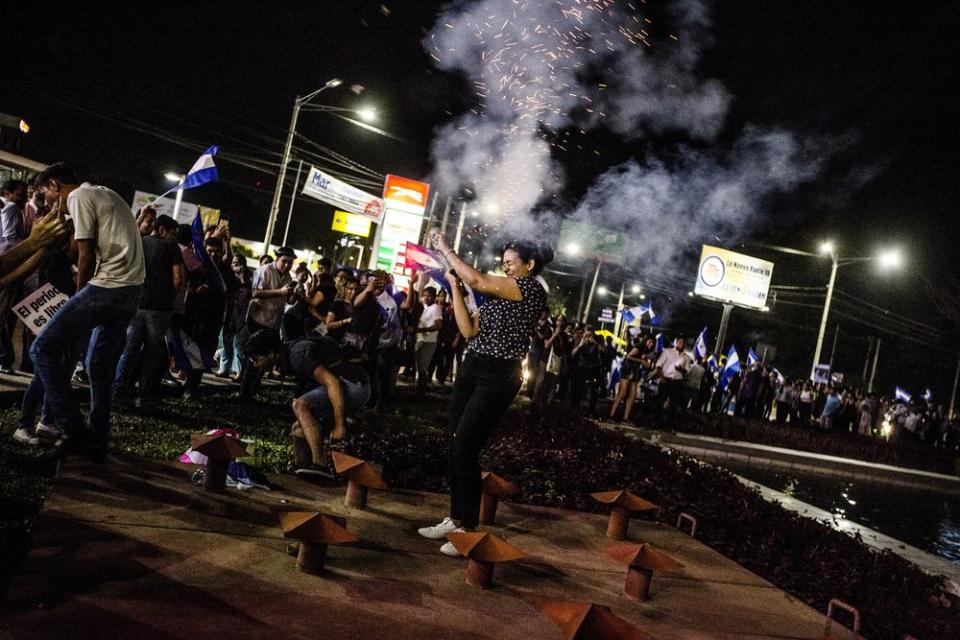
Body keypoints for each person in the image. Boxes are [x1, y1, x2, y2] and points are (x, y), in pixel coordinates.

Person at [418, 233, 551, 556]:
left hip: (498, 375)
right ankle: (454, 519)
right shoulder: (500, 297)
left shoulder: (531, 290)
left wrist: (446, 249)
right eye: (503, 263)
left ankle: (467, 529)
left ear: (529, 265)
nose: (505, 268)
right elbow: (468, 331)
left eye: (510, 263)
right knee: (455, 441)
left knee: (465, 446)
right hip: (472, 366)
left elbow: (476, 278)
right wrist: (453, 288)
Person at [27, 163, 145, 461]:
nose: (51, 206)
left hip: (107, 287)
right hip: (130, 292)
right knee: (98, 367)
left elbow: (86, 253)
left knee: (41, 349)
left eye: (47, 198)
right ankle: (98, 437)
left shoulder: (78, 196)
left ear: (55, 184)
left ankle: (72, 429)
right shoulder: (104, 194)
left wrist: (77, 300)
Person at [242, 330, 370, 477]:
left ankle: (321, 464)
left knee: (299, 405)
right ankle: (305, 469)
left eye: (256, 359)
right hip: (344, 385)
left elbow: (333, 383)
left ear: (271, 354)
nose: (255, 364)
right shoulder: (288, 355)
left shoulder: (298, 355)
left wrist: (339, 426)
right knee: (298, 427)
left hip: (354, 386)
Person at [113, 214, 184, 407]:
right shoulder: (171, 247)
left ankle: (117, 392)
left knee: (129, 350)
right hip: (160, 309)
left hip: (137, 304)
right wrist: (169, 297)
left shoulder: (140, 242)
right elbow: (178, 279)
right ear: (162, 230)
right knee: (152, 353)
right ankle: (142, 396)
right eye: (172, 233)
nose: (174, 237)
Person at [217, 255, 252, 379]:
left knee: (238, 344)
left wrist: (242, 276)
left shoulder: (248, 278)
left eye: (238, 263)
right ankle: (224, 369)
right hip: (228, 313)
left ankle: (239, 372)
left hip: (241, 315)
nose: (235, 265)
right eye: (233, 263)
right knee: (225, 342)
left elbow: (249, 291)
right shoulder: (229, 277)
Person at [652, 336, 692, 424]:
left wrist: (681, 369)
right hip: (665, 379)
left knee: (673, 404)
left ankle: (669, 424)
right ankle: (655, 421)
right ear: (676, 342)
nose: (681, 344)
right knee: (660, 402)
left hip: (677, 382)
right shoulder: (667, 352)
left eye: (683, 343)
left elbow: (688, 371)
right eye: (680, 342)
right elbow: (658, 365)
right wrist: (662, 377)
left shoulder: (686, 357)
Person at [413, 285, 442, 396]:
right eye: (424, 296)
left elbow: (438, 325)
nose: (426, 298)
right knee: (420, 367)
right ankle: (420, 390)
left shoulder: (435, 308)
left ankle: (421, 392)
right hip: (422, 340)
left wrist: (422, 329)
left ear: (434, 297)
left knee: (423, 368)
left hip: (428, 342)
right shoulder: (427, 308)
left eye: (429, 296)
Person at [325, 277, 360, 342]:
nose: (354, 292)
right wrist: (346, 321)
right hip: (332, 340)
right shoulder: (337, 304)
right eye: (350, 289)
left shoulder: (359, 307)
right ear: (345, 289)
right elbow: (328, 325)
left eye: (356, 289)